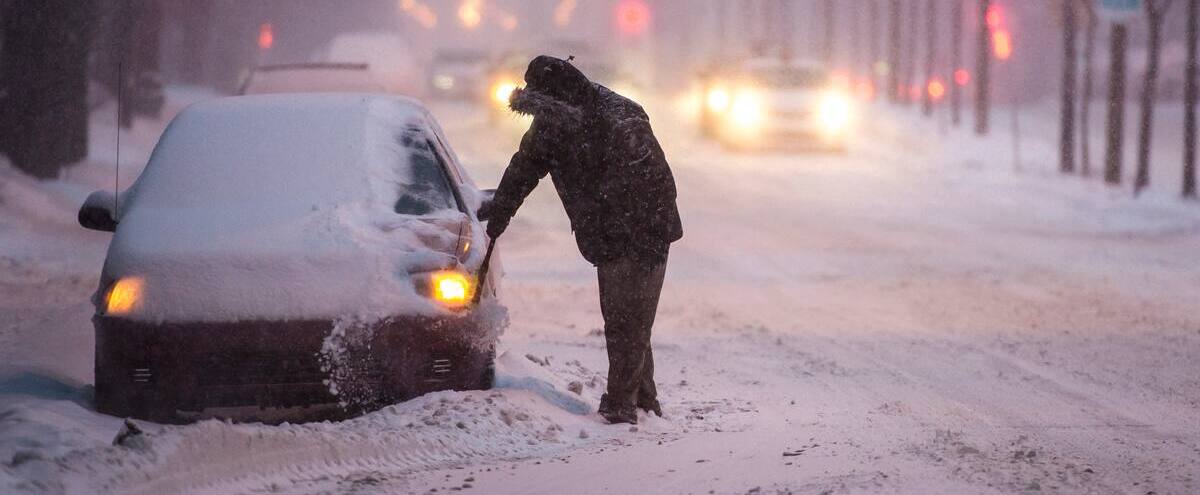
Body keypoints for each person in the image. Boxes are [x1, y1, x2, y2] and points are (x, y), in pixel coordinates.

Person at [486, 55, 683, 425]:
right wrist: (500, 210)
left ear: (561, 98)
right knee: (626, 316)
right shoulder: (552, 124)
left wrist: (632, 229)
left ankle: (621, 406)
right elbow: (525, 166)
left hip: (645, 230)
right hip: (608, 233)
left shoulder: (620, 116)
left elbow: (656, 181)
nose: (542, 117)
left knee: (627, 318)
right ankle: (644, 400)